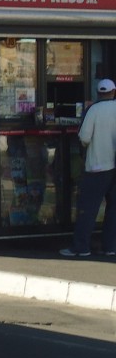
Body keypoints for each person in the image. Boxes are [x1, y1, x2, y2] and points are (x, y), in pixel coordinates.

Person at [61, 77, 116, 258]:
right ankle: (110, 247)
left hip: (97, 167)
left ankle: (81, 247)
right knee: (113, 210)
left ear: (99, 93)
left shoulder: (93, 110)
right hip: (114, 168)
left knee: (88, 210)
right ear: (113, 92)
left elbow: (84, 137)